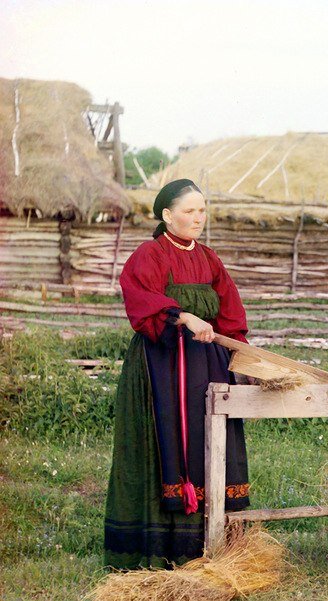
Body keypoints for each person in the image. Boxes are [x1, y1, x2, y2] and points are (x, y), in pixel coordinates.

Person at [103, 179, 250, 570]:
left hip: (209, 366)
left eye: (202, 210)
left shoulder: (209, 259)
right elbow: (141, 301)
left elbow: (230, 312)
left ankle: (214, 545)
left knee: (210, 440)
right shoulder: (149, 255)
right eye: (189, 210)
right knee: (167, 440)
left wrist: (242, 353)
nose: (198, 218)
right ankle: (162, 548)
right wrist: (183, 315)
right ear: (167, 215)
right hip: (162, 369)